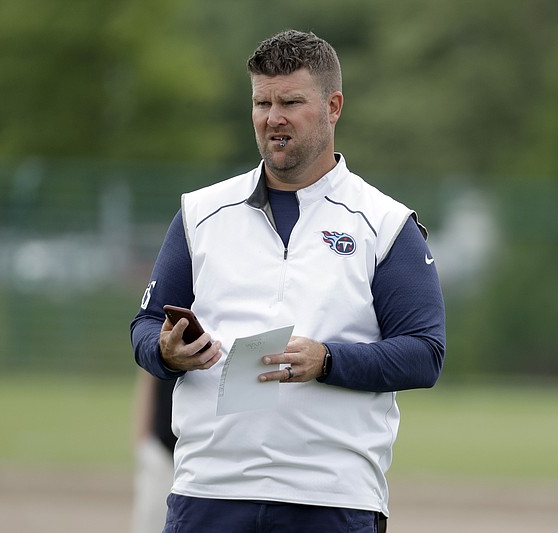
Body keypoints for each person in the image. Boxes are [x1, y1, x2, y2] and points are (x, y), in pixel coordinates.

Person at [130, 29, 446, 533]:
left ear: (333, 106)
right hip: (208, 490)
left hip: (330, 495)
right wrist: (165, 351)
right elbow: (145, 326)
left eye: (291, 102)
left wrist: (328, 360)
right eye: (262, 102)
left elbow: (425, 353)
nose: (273, 117)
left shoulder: (384, 224)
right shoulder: (200, 213)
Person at [129, 371, 176, 533]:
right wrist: (142, 439)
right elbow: (147, 374)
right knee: (152, 518)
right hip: (162, 445)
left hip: (203, 449)